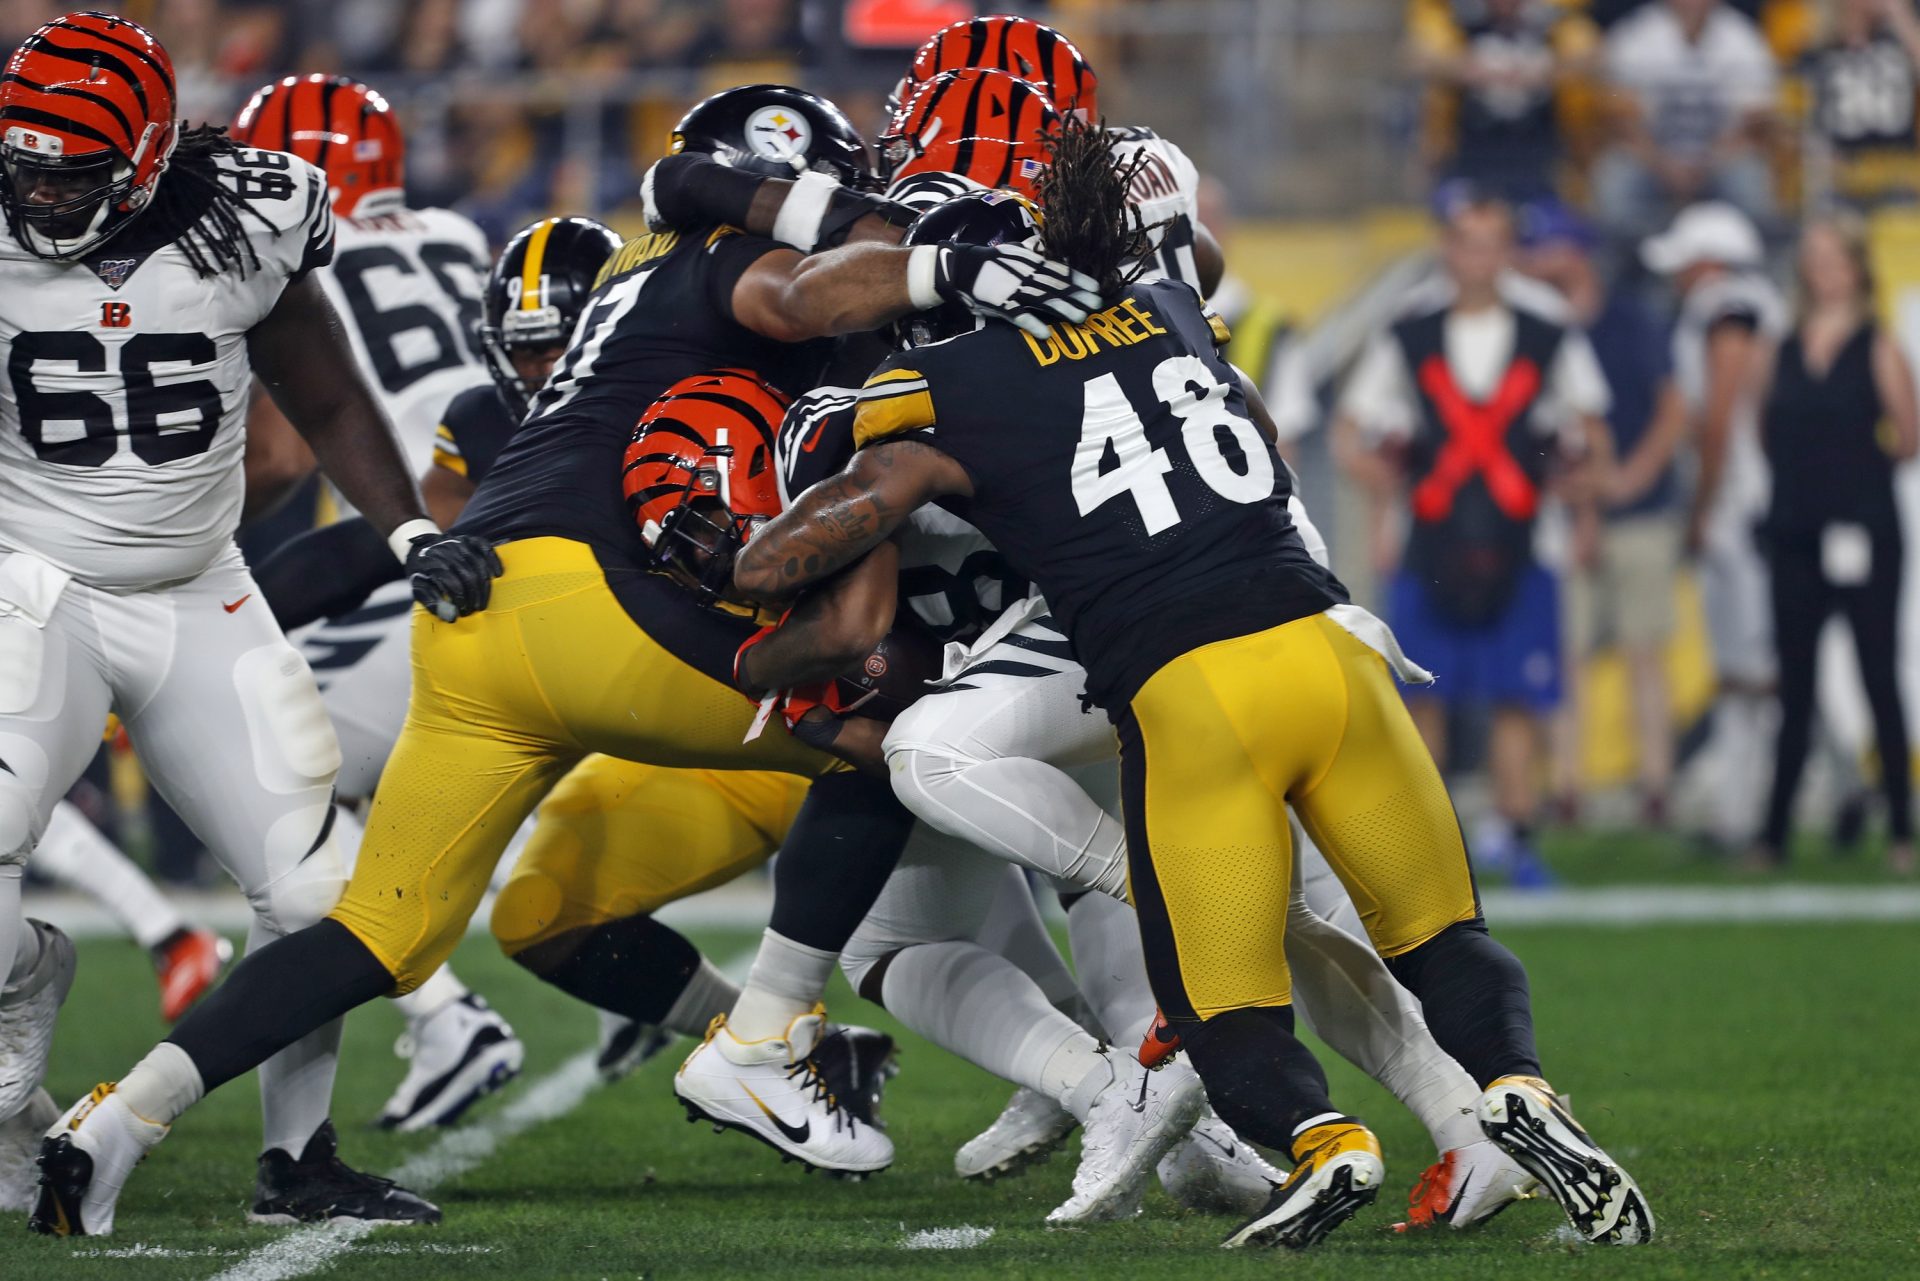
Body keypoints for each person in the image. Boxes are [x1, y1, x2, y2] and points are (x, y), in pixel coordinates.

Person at [34, 83, 1100, 1236]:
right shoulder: (729, 261)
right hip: (592, 605)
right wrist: (945, 271)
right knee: (888, 738)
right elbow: (797, 292)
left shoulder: (649, 263)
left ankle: (111, 1123)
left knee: (376, 931)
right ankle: (766, 1035)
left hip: (477, 621)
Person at [735, 120, 1653, 1251]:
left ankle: (1322, 1138)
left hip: (1183, 681)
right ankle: (1508, 1098)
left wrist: (772, 551)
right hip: (1328, 639)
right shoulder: (1172, 308)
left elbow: (822, 483)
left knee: (1215, 981)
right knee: (1427, 932)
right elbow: (1240, 404)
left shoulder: (948, 381)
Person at [0, 11, 499, 1230]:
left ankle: (298, 1162)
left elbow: (320, 389)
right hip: (32, 584)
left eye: (72, 174)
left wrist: (407, 532)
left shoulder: (246, 214)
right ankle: (26, 1035)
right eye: (26, 165)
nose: (41, 196)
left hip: (203, 593)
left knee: (314, 895)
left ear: (151, 155)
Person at [225, 72, 524, 1135]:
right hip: (520, 547)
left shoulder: (289, 243)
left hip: (413, 558)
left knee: (257, 777)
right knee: (309, 797)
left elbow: (281, 453)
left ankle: (444, 1015)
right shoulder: (457, 231)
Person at [1336, 193, 1612, 883]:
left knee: (1517, 695)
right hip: (1426, 536)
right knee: (1422, 694)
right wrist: (1381, 495)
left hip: (1526, 541)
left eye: (1492, 240)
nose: (1478, 255)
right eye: (1466, 240)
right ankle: (1431, 843)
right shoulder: (1410, 327)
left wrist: (1582, 502)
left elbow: (1593, 429)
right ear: (1447, 247)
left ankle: (1516, 833)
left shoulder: (1548, 327)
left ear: (1509, 249)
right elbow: (1350, 431)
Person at [1754, 214, 1917, 872]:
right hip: (1796, 531)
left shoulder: (1877, 345)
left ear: (1856, 267)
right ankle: (1774, 833)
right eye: (1814, 256)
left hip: (1864, 531)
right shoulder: (1783, 345)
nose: (1824, 269)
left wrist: (1851, 473)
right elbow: (1763, 426)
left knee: (1879, 674)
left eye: (1835, 256)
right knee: (1794, 685)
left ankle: (1903, 828)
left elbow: (1908, 435)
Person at [1518, 199, 1688, 824]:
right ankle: (1567, 785)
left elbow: (1672, 408)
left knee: (1645, 649)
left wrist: (1630, 476)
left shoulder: (1628, 320)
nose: (1533, 259)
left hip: (1639, 506)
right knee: (1564, 654)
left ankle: (1655, 783)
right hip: (1565, 509)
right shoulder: (1535, 322)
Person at [1641, 200, 1789, 854]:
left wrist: (1702, 506)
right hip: (1760, 497)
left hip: (1743, 501)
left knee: (1751, 665)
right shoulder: (1756, 299)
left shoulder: (1726, 305)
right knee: (1759, 663)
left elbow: (1722, 410)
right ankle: (1747, 802)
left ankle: (1747, 808)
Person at [1595, 0, 1781, 240]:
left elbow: (1754, 122)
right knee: (1616, 185)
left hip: (1719, 159)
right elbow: (1621, 119)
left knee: (1750, 186)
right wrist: (1661, 164)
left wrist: (1707, 163)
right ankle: (1634, 266)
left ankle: (1748, 269)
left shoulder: (1742, 38)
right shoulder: (1637, 35)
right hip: (1652, 158)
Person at [1405, 0, 1602, 203]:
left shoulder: (1551, 21)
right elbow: (1418, 56)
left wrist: (1541, 73)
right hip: (1471, 151)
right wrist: (1472, 71)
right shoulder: (1460, 19)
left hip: (1538, 153)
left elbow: (1592, 57)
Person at [1798, 0, 1920, 206]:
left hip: (1899, 173)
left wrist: (1902, 19)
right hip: (1840, 176)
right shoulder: (1818, 53)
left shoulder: (1899, 46)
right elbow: (1804, 123)